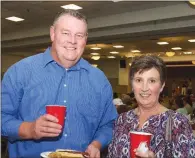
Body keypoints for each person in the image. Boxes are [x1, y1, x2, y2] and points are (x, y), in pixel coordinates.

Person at [1, 10, 117, 158]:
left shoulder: (99, 80)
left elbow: (108, 125)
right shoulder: (20, 72)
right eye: (66, 33)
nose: (72, 41)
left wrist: (97, 144)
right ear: (53, 34)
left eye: (79, 35)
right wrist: (29, 129)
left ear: (85, 40)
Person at [107, 55, 195, 158]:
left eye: (152, 81)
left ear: (162, 85)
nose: (144, 88)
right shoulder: (122, 120)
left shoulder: (178, 124)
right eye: (139, 80)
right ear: (132, 84)